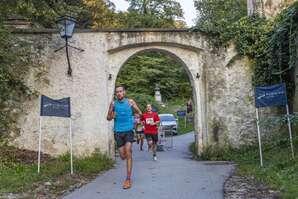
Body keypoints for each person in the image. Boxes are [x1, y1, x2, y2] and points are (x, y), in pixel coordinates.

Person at [106, 85, 142, 189]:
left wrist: (135, 109)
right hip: (118, 132)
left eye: (120, 91)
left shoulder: (130, 102)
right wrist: (111, 115)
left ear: (124, 92)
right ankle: (127, 156)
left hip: (128, 131)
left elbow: (139, 113)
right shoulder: (113, 103)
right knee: (122, 156)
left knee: (128, 151)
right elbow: (107, 118)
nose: (119, 93)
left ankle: (128, 179)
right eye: (117, 92)